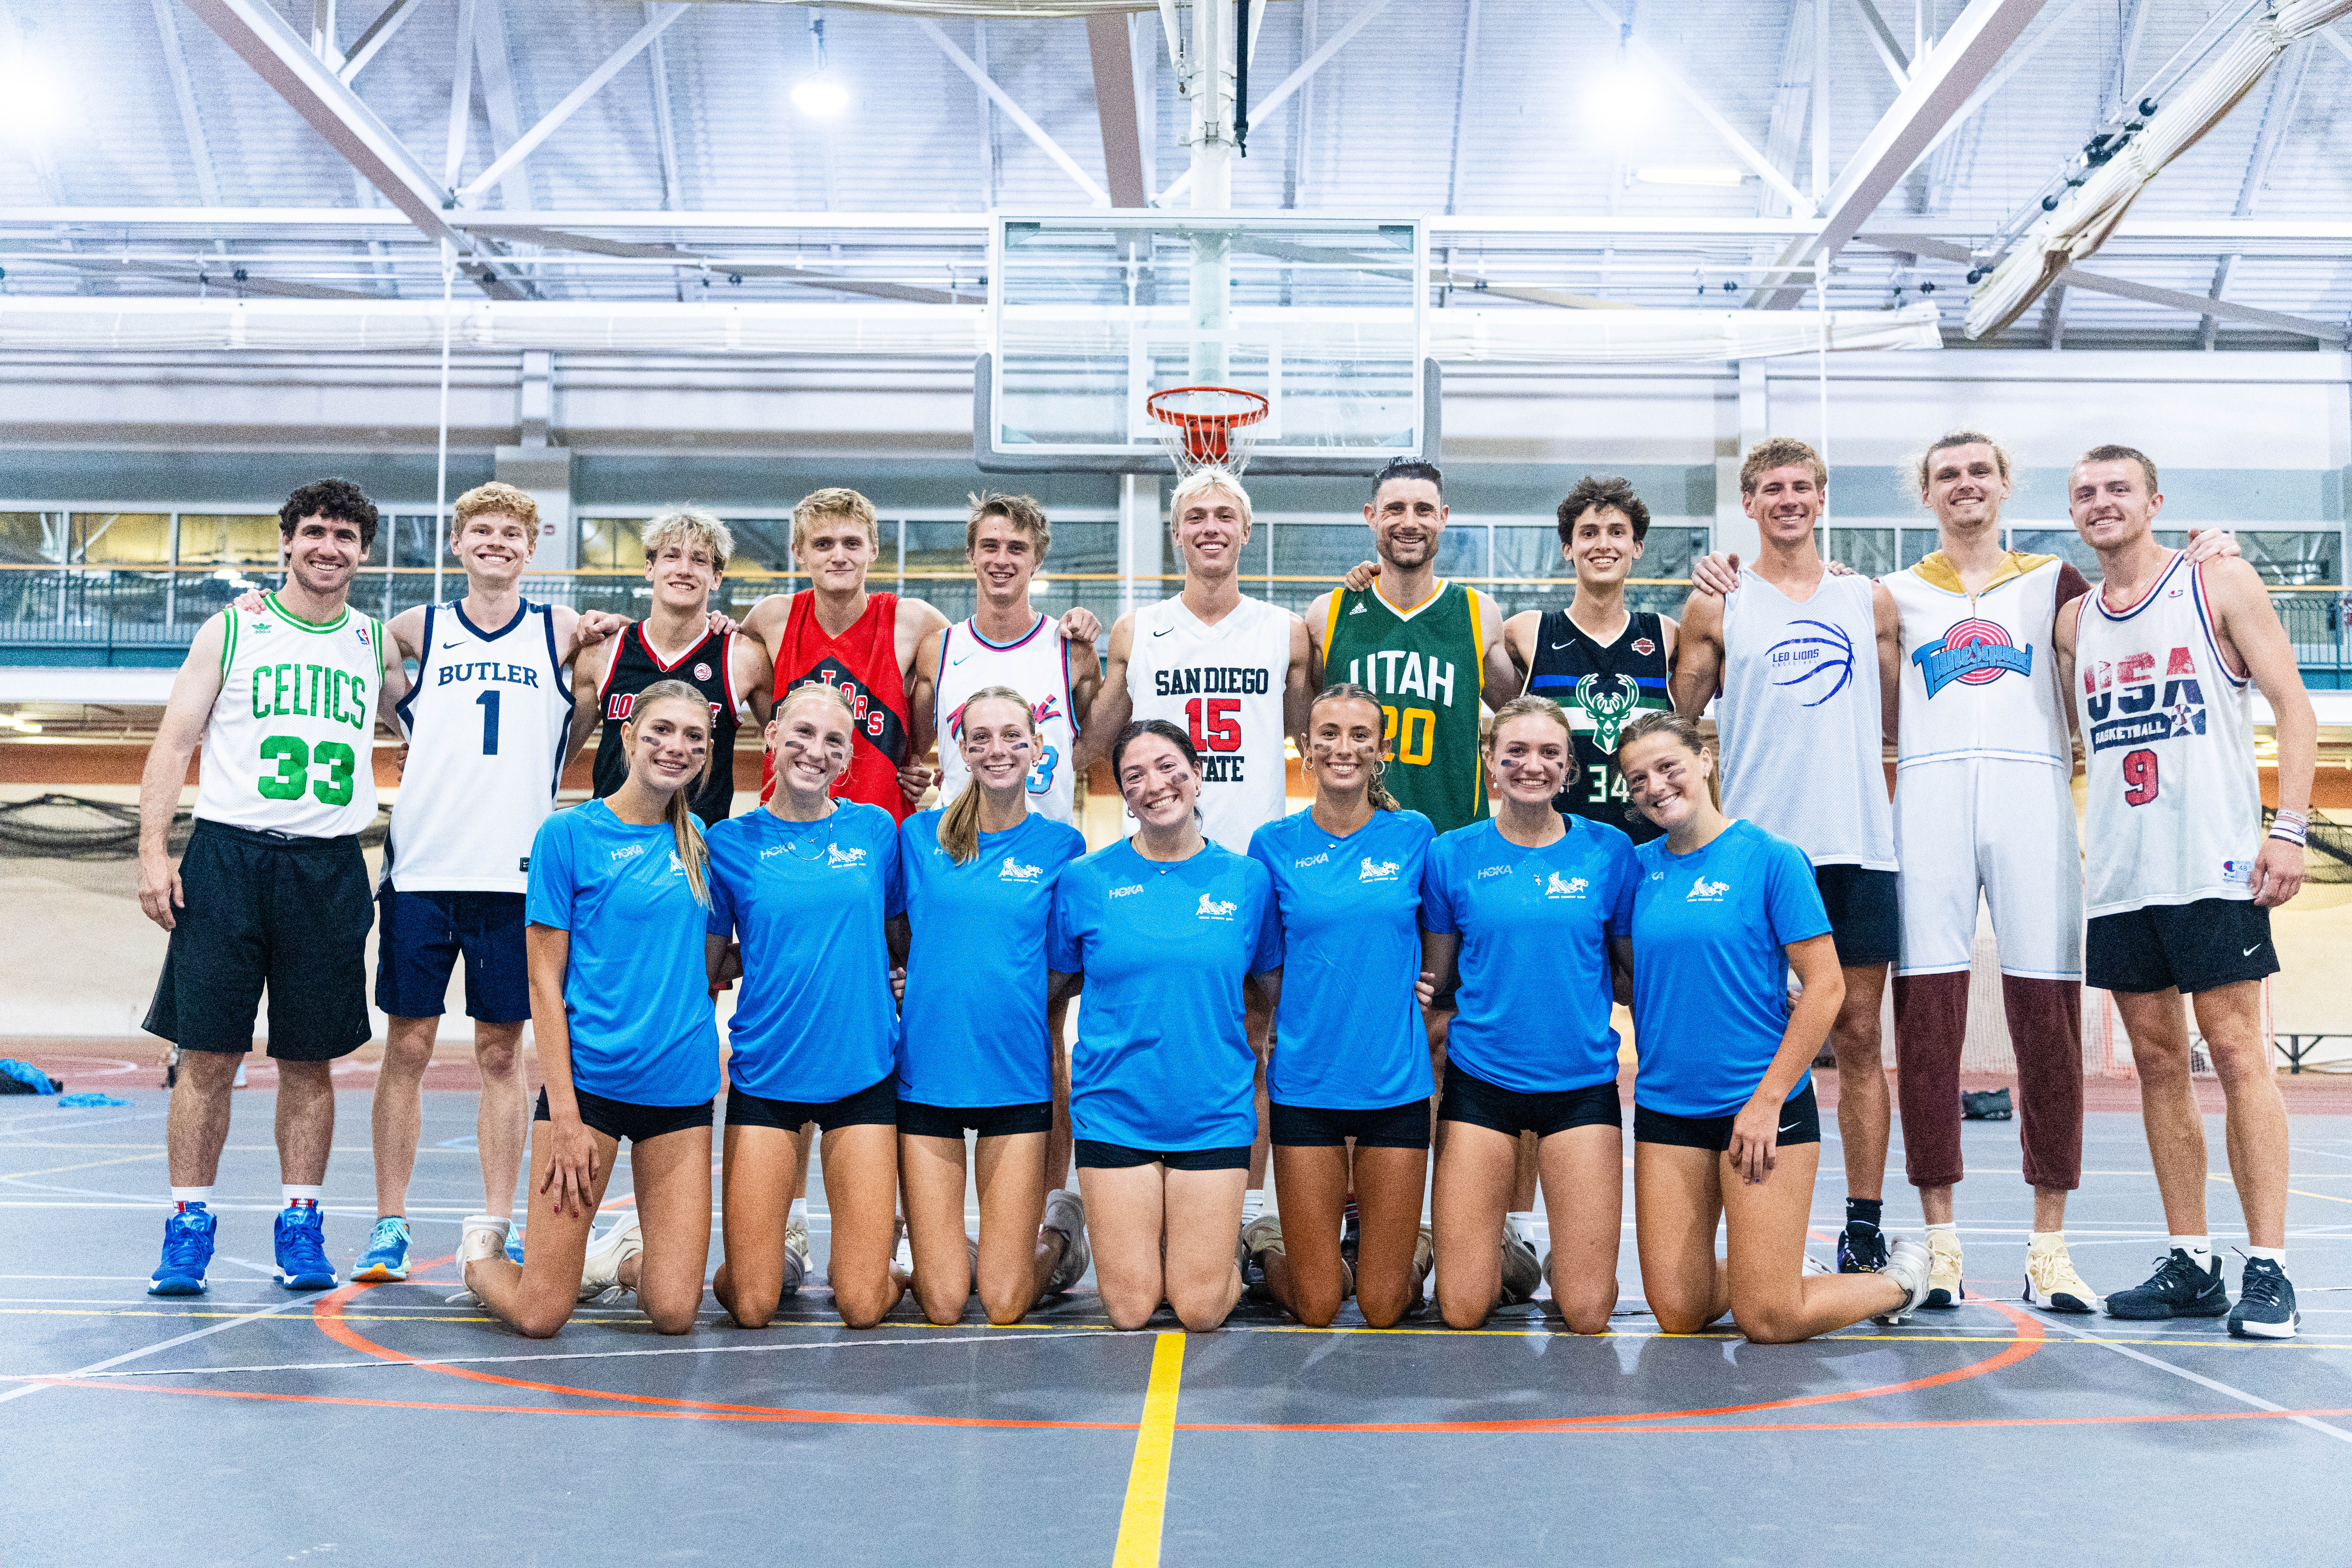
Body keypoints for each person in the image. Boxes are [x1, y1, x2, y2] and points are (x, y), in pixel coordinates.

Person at [2055, 444, 2314, 1339]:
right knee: (2158, 1064)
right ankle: (2192, 1259)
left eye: (2119, 489)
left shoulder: (2216, 581)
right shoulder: (2074, 621)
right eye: (2086, 494)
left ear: (2155, 500)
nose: (2102, 504)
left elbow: (2295, 705)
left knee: (2238, 1052)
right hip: (2123, 875)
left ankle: (2271, 1267)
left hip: (2214, 865)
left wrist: (2288, 828)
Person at [350, 481, 627, 1284]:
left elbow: (582, 723)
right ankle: (390, 1224)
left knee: (503, 1053)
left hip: (515, 876)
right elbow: (364, 660)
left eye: (512, 532)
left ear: (532, 548)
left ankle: (497, 1222)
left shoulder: (564, 631)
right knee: (405, 1045)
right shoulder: (417, 628)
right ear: (458, 542)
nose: (496, 541)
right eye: (482, 530)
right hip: (423, 869)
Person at [141, 479, 407, 1297]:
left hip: (328, 865)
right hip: (228, 856)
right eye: (316, 532)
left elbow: (438, 727)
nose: (330, 547)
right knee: (208, 1055)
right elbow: (173, 741)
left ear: (364, 553)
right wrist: (154, 850)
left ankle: (302, 1222)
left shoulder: (375, 643)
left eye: (347, 536)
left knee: (310, 1061)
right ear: (287, 541)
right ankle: (188, 1224)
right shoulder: (233, 628)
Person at [1613, 713, 1931, 1341]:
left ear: (1704, 761)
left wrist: (1763, 1102)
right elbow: (1626, 978)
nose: (1654, 786)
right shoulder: (1634, 869)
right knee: (1677, 1311)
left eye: (1667, 767)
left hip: (1759, 1108)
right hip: (1666, 1107)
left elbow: (1827, 986)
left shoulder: (1770, 859)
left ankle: (1902, 1279)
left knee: (1769, 1319)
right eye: (1637, 779)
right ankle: (1777, 1264)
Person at [1673, 437, 1900, 1280]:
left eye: (1802, 486)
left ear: (1822, 497)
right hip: (1757, 851)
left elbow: (1900, 718)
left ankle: (1866, 1223)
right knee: (1747, 1029)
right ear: (1751, 503)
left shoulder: (1866, 598)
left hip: (1857, 844)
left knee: (1861, 1034)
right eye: (1773, 488)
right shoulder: (1719, 606)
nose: (1789, 499)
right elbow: (1676, 713)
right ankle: (1726, 1210)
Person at [455, 681, 721, 1338]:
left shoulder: (706, 844)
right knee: (543, 1313)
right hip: (591, 1092)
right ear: (628, 735)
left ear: (708, 754)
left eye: (694, 736)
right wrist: (567, 1117)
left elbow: (714, 956)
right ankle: (480, 1261)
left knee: (674, 1309)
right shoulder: (568, 834)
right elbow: (544, 982)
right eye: (661, 729)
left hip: (680, 1094)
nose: (676, 746)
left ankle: (621, 1260)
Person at [1088, 466, 1313, 1226]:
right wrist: (1074, 656)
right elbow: (1091, 744)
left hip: (1248, 859)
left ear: (1246, 532)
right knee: (1152, 1022)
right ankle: (1146, 1187)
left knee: (1256, 1030)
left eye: (1225, 515)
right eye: (1196, 516)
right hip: (1153, 857)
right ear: (1176, 532)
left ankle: (1248, 1212)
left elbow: (1319, 736)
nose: (1211, 527)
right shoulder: (1136, 630)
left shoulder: (1286, 631)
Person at [1046, 719, 1283, 1332]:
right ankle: (1078, 1231)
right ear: (1123, 795)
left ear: (1197, 774)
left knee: (1199, 1309)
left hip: (1212, 1114)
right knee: (1129, 1309)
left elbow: (1275, 991)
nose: (1155, 784)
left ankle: (1229, 1247)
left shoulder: (1247, 881)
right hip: (1114, 1110)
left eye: (1169, 767)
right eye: (1134, 776)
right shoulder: (1086, 881)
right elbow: (1049, 983)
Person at [1417, 696, 1637, 1332]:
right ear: (1490, 760)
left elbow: (1631, 973)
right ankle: (1504, 1254)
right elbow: (1438, 980)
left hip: (1579, 1089)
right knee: (1460, 1310)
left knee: (1588, 1311)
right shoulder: (1451, 854)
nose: (1530, 765)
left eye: (1548, 753)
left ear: (1568, 768)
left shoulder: (1609, 851)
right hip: (1481, 1085)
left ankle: (1538, 1257)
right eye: (1514, 751)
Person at [906, 492, 1103, 1198]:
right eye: (990, 545)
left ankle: (1050, 1207)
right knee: (937, 1020)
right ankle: (922, 1214)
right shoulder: (940, 647)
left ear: (1037, 560)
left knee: (1046, 1033)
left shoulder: (1068, 645)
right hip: (955, 858)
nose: (1001, 559)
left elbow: (1098, 744)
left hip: (1042, 858)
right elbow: (908, 745)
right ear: (970, 554)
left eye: (1017, 548)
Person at [703, 682, 910, 1330]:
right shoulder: (728, 843)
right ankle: (719, 1256)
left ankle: (905, 1262)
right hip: (767, 1078)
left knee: (861, 1304)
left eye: (832, 742)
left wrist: (896, 977)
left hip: (862, 1077)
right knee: (754, 1304)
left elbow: (901, 941)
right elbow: (709, 964)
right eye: (800, 734)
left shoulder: (876, 831)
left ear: (847, 760)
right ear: (770, 738)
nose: (813, 751)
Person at [892, 688, 1091, 1324]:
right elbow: (899, 937)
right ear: (961, 749)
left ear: (1037, 748)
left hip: (1015, 1081)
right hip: (927, 1079)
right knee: (945, 1302)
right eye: (979, 737)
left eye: (1012, 735)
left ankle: (1059, 1237)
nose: (996, 748)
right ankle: (949, 1252)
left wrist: (1006, 997)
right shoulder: (917, 836)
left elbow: (1065, 966)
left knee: (1004, 1303)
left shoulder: (1063, 848)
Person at [1243, 685, 1436, 1328]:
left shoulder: (1414, 835)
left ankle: (1419, 1248)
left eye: (1359, 735)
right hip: (1306, 1087)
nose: (1342, 747)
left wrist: (1425, 984)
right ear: (1305, 747)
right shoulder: (1271, 844)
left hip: (1394, 1087)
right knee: (1318, 1304)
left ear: (1382, 750)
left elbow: (1437, 943)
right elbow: (1264, 964)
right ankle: (1266, 1244)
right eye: (1327, 733)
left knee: (1382, 1306)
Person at [1312, 459, 1513, 835]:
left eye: (1424, 510)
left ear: (1443, 518)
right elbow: (1304, 726)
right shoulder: (1327, 614)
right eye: (1394, 509)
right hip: (1355, 836)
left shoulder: (1479, 613)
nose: (1409, 523)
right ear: (1372, 516)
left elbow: (1518, 712)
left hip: (1454, 837)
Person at [738, 487, 948, 823]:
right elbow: (703, 652)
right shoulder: (773, 618)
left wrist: (918, 756)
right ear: (799, 552)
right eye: (823, 544)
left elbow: (974, 666)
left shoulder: (912, 621)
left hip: (878, 829)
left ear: (873, 550)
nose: (839, 556)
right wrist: (626, 628)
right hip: (785, 825)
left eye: (852, 543)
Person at [1503, 475, 1678, 845]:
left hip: (1647, 846)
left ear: (1638, 546)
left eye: (1617, 532)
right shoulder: (1528, 632)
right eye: (1588, 533)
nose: (1603, 545)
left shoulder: (1665, 635)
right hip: (1557, 848)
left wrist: (1831, 575)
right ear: (1568, 548)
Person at [575, 507, 773, 827]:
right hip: (611, 846)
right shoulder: (603, 651)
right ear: (650, 568)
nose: (684, 569)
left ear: (716, 578)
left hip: (697, 849)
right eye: (671, 556)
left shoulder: (744, 658)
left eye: (699, 560)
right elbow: (560, 752)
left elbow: (783, 746)